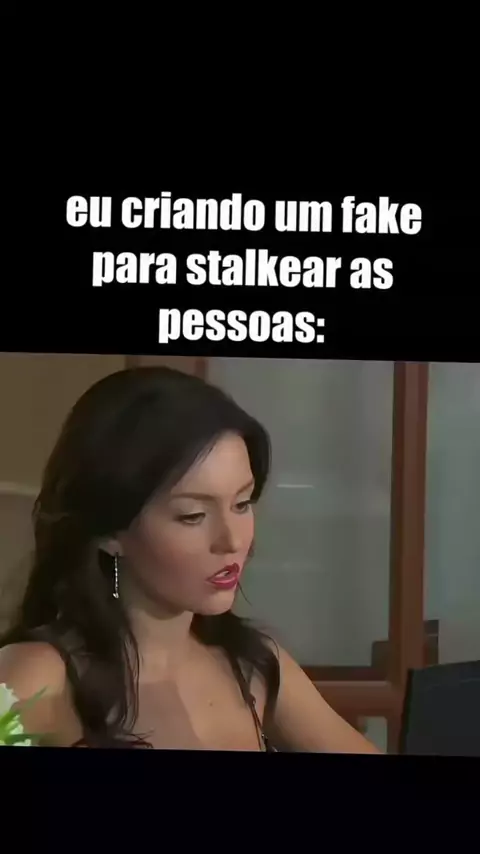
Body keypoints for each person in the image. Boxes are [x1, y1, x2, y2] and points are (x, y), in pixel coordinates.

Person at [0, 366, 380, 753]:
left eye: (242, 503)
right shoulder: (35, 679)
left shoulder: (255, 666)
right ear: (110, 531)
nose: (233, 540)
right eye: (192, 515)